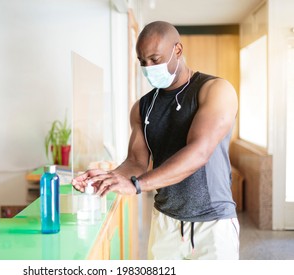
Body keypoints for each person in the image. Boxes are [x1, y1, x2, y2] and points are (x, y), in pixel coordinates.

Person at [71, 21, 239, 260]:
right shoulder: (143, 107)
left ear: (177, 50)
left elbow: (199, 152)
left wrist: (137, 184)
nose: (148, 67)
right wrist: (107, 178)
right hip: (165, 222)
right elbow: (136, 161)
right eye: (142, 62)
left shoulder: (216, 90)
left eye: (154, 59)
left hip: (212, 223)